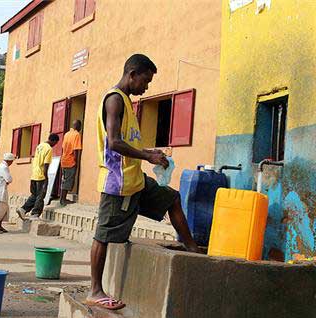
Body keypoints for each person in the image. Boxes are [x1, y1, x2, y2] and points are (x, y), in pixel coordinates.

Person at [86, 54, 200, 310]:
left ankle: (192, 250)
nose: (146, 87)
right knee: (103, 235)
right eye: (145, 81)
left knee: (171, 198)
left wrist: (152, 154)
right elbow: (113, 142)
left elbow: (128, 142)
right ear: (133, 74)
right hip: (118, 182)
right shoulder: (115, 99)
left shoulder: (127, 102)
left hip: (135, 179)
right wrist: (148, 155)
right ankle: (94, 290)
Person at [16, 133, 60, 221]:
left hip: (34, 174)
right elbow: (46, 164)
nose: (55, 145)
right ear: (54, 141)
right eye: (56, 143)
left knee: (34, 194)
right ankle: (35, 214)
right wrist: (46, 178)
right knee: (41, 195)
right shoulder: (48, 149)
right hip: (41, 175)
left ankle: (23, 209)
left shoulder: (40, 146)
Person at [60, 119, 83, 206]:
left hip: (64, 160)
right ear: (78, 126)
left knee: (64, 180)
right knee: (68, 181)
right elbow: (76, 150)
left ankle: (63, 198)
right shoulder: (77, 135)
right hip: (70, 161)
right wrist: (76, 162)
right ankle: (63, 199)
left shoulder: (67, 134)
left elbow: (63, 148)